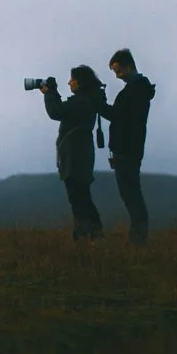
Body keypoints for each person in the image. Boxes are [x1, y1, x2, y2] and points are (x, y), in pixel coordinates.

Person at [37, 64, 106, 239]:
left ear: (81, 82)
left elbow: (56, 112)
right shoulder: (86, 100)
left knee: (77, 198)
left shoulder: (82, 101)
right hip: (81, 154)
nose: (69, 83)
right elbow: (64, 110)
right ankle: (95, 233)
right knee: (82, 195)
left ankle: (83, 236)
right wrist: (54, 93)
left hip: (75, 155)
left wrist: (50, 93)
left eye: (73, 80)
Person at [102, 48, 157, 244]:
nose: (117, 76)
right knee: (132, 195)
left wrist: (99, 105)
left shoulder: (134, 91)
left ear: (128, 66)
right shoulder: (140, 89)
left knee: (131, 196)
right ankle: (138, 238)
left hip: (126, 150)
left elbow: (117, 116)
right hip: (131, 149)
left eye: (118, 71)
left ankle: (138, 240)